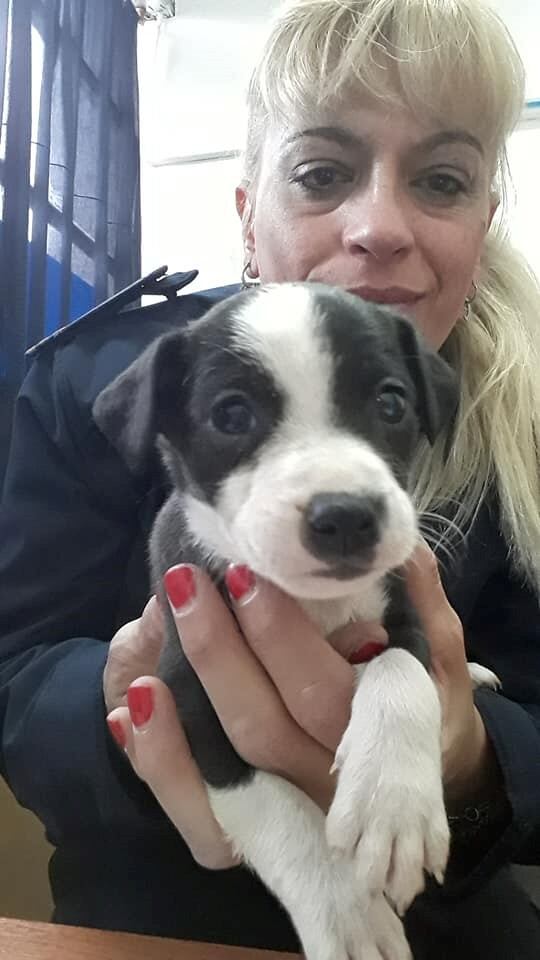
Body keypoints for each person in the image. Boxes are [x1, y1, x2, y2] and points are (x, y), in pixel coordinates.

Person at [1, 0, 540, 957]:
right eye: (324, 173)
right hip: (158, 909)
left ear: (484, 218)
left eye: (442, 178)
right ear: (248, 206)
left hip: (450, 919)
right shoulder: (97, 377)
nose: (378, 226)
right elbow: (19, 668)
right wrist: (132, 717)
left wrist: (476, 757)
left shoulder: (517, 418)